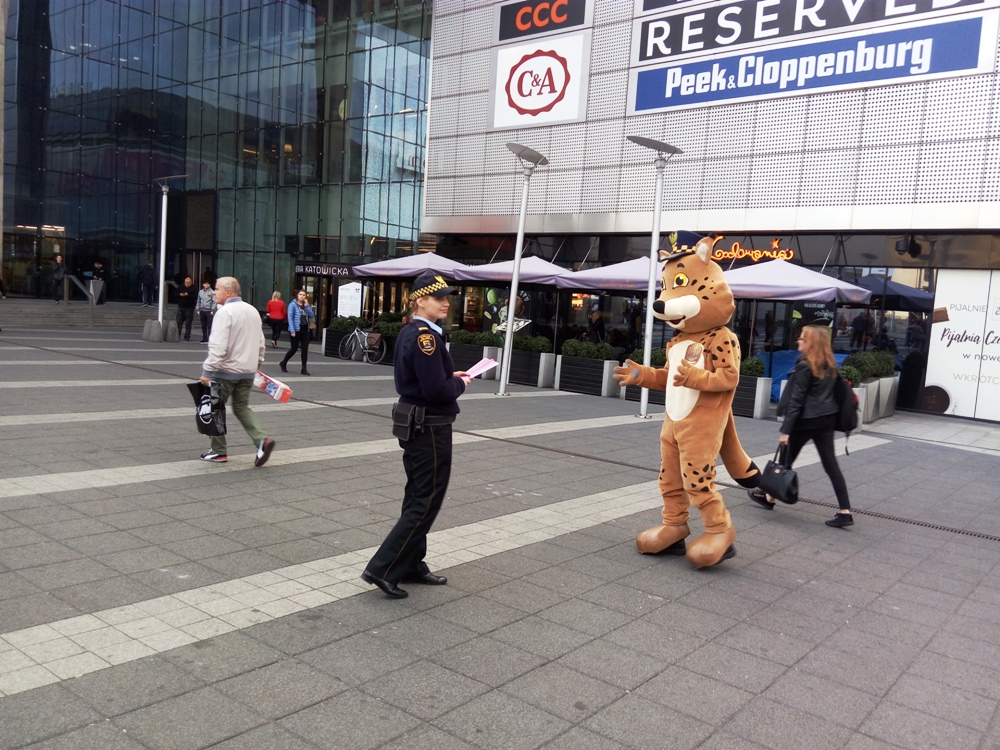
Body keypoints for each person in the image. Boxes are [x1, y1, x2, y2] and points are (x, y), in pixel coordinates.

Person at [362, 274, 470, 598]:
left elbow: (425, 379)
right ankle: (383, 567)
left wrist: (450, 375)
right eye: (439, 297)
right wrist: (460, 384)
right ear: (420, 300)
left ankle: (410, 563)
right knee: (425, 501)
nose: (446, 302)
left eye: (447, 297)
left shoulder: (413, 332)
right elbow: (436, 389)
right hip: (430, 428)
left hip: (417, 424)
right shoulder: (426, 337)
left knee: (417, 495)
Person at [749, 325, 854, 527]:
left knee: (785, 459)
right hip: (826, 420)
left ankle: (767, 496)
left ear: (811, 343)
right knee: (831, 466)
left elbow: (797, 400)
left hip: (805, 421)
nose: (798, 341)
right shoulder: (829, 365)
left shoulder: (806, 366)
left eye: (802, 339)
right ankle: (845, 511)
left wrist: (785, 430)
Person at [199, 276, 275, 466]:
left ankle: (218, 451)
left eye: (216, 289)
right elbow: (260, 342)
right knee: (241, 407)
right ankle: (262, 440)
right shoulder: (252, 311)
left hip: (225, 371)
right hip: (247, 371)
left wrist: (207, 371)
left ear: (228, 291)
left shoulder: (224, 313)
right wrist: (257, 363)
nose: (214, 292)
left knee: (214, 408)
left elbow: (218, 346)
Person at [279, 290, 315, 375]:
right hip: (296, 329)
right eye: (300, 294)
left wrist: (307, 306)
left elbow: (311, 315)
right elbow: (290, 318)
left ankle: (304, 368)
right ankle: (284, 362)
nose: (302, 296)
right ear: (297, 295)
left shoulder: (306, 305)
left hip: (305, 329)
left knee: (305, 349)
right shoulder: (293, 305)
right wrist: (292, 330)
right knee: (294, 348)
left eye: (304, 295)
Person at [175, 276, 198, 342]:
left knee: (188, 323)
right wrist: (180, 294)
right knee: (179, 322)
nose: (187, 283)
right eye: (186, 282)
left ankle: (187, 336)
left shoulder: (194, 288)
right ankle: (177, 335)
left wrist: (188, 294)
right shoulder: (181, 287)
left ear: (191, 282)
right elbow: (175, 294)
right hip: (181, 307)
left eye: (188, 282)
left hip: (189, 308)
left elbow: (195, 296)